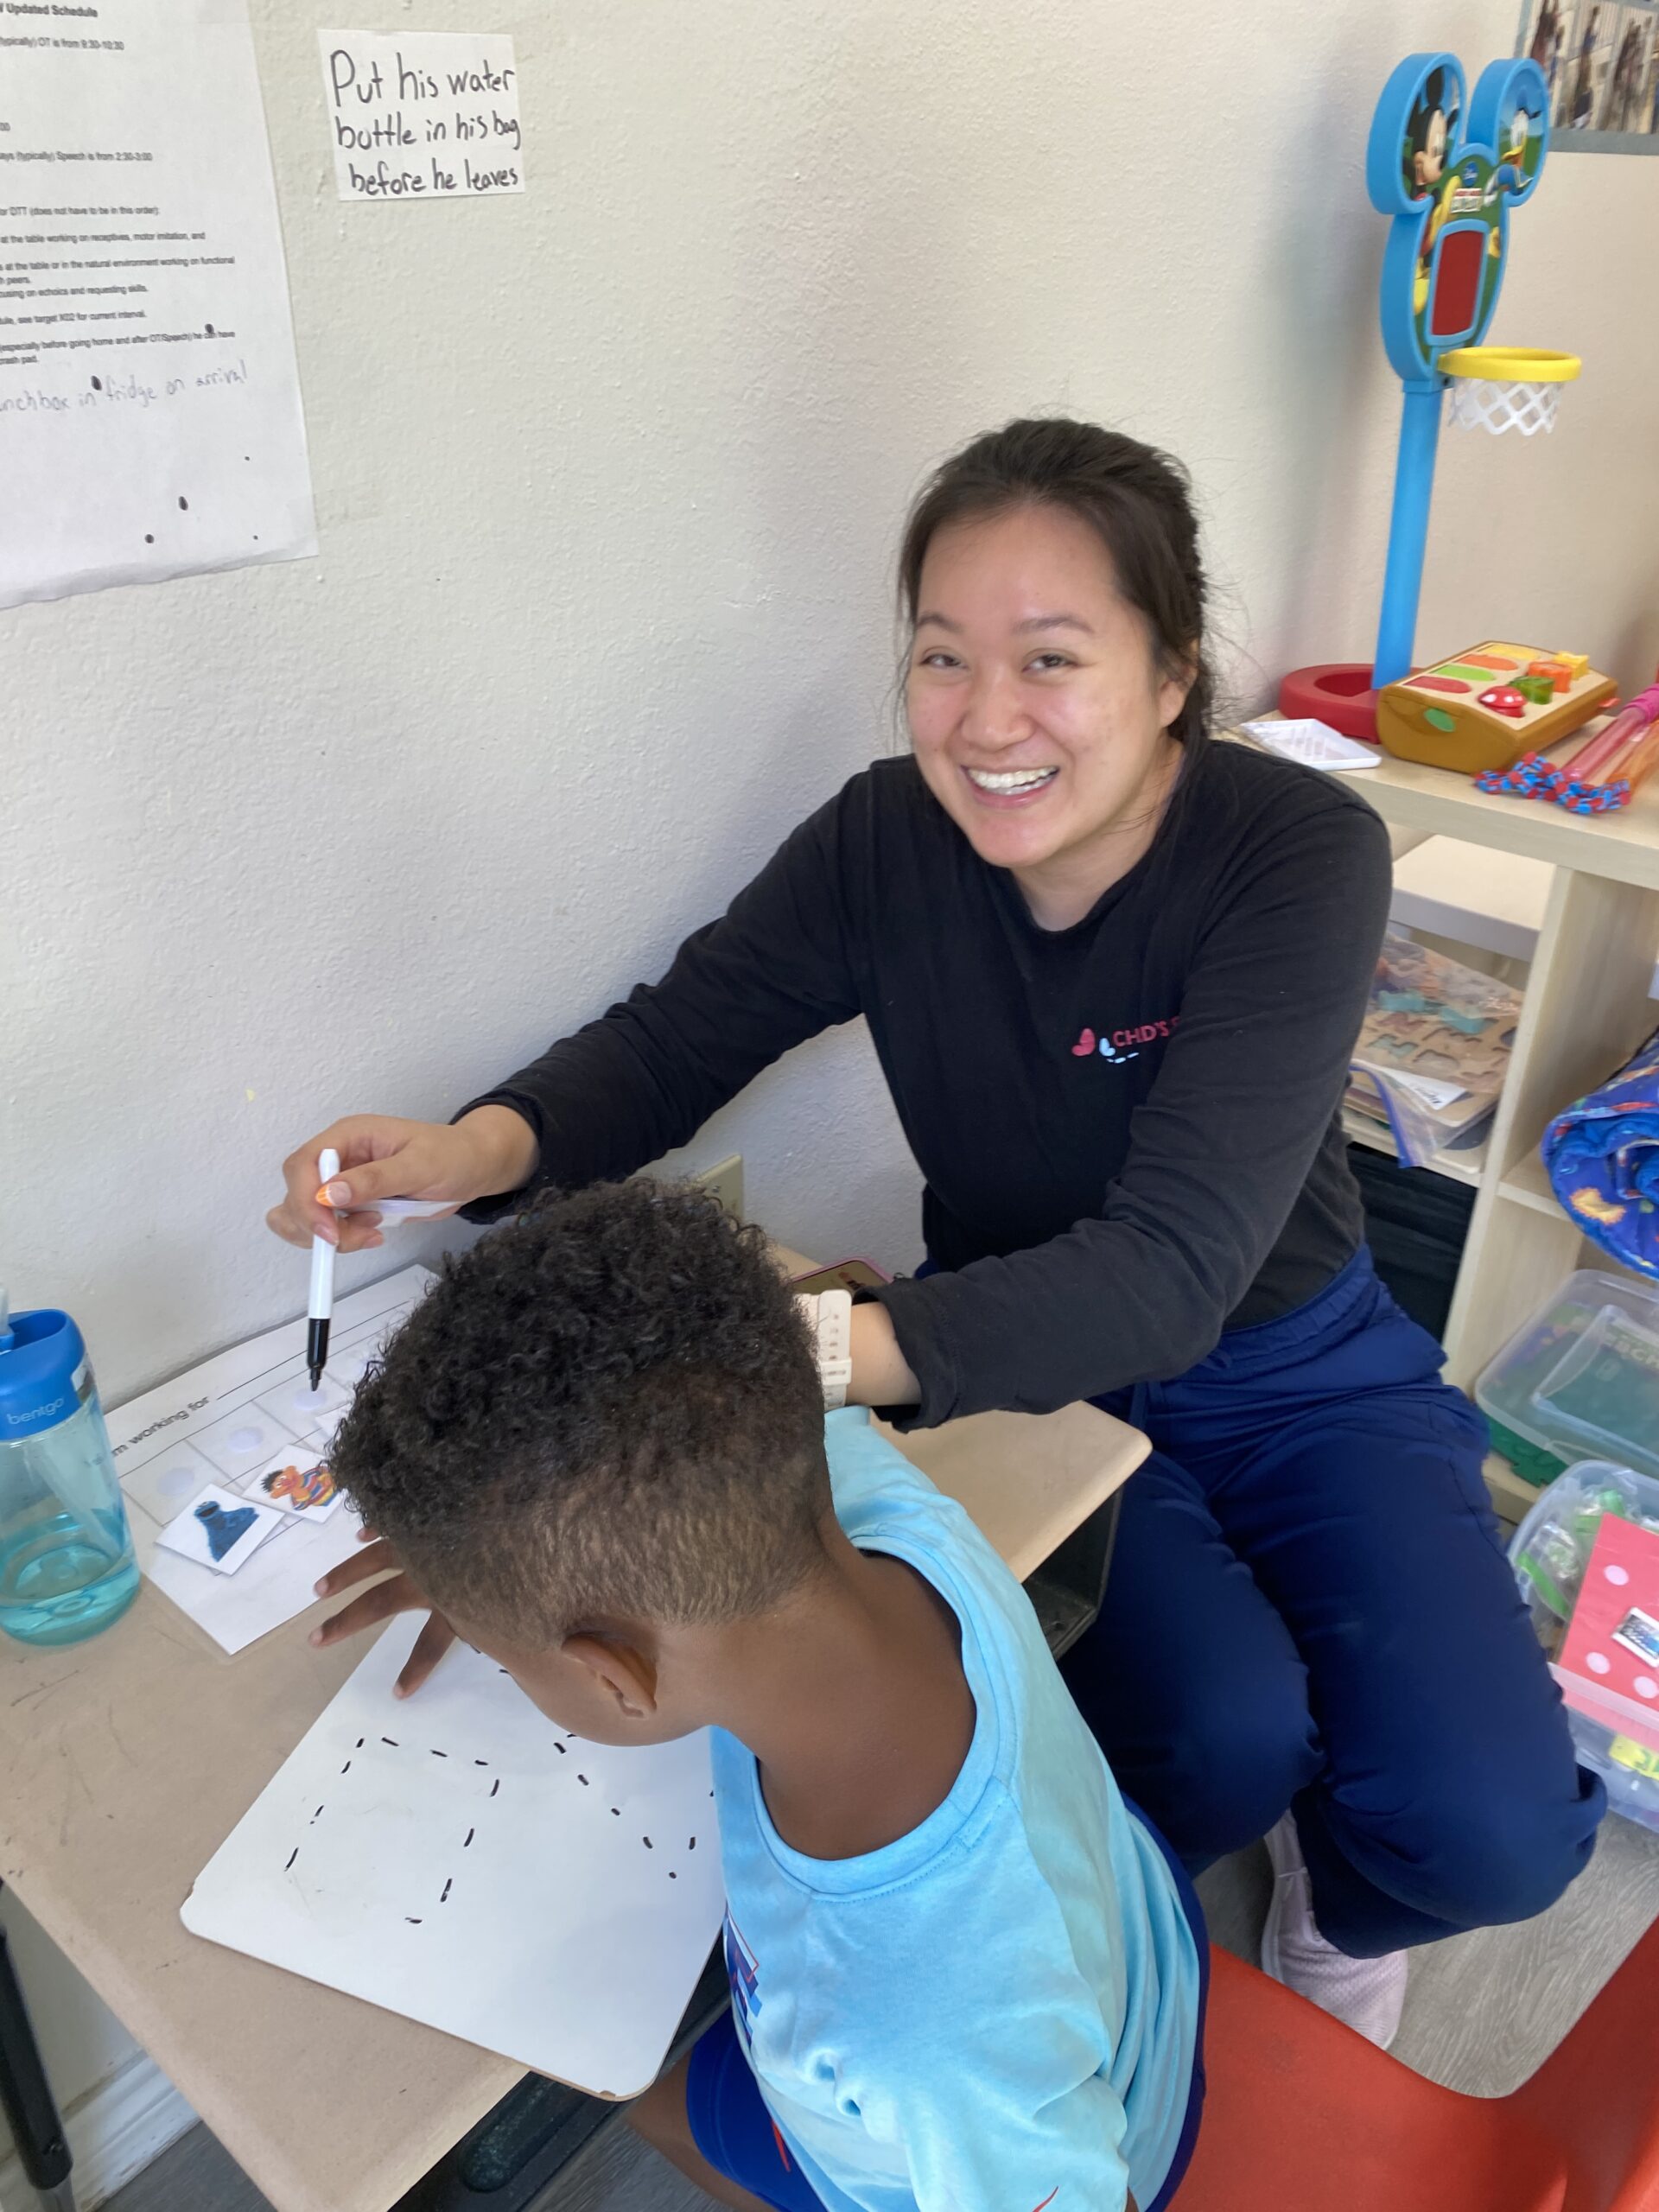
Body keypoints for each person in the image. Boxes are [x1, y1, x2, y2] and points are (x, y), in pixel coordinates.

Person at [276, 417, 1602, 2049]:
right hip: (1020, 1360)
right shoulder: (882, 841)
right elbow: (676, 1039)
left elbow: (1173, 1273)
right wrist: (461, 1151)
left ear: (1174, 671)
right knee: (1217, 1730)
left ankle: (1345, 1898)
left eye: (1053, 659)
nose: (987, 722)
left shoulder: (1293, 853)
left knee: (1494, 1826)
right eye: (940, 658)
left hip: (1289, 1353)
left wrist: (786, 1361)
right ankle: (1145, 1887)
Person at [327, 1179, 1205, 2212]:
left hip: (1070, 2129)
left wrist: (506, 1582)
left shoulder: (920, 2027)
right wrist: (491, 1567)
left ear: (618, 1677)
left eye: (507, 1661)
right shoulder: (852, 1492)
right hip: (1136, 1937)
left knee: (623, 2078)